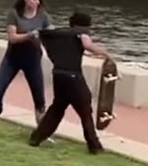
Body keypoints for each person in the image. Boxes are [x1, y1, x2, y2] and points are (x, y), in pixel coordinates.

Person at [29, 12, 107, 154]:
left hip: (58, 74)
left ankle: (36, 138)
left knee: (57, 108)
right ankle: (94, 145)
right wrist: (106, 54)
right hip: (73, 76)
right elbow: (87, 44)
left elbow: (36, 35)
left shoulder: (60, 35)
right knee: (85, 108)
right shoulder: (80, 33)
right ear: (85, 26)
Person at [0, 0, 51, 132]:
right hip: (12, 59)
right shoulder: (14, 14)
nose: (37, 2)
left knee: (39, 97)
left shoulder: (43, 16)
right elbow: (12, 38)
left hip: (32, 60)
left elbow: (49, 33)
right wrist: (29, 35)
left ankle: (41, 130)